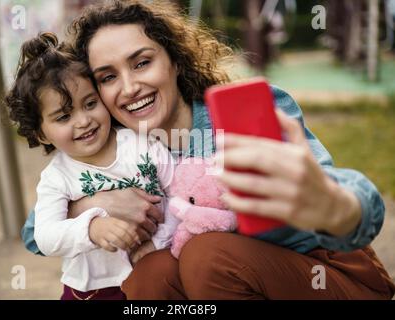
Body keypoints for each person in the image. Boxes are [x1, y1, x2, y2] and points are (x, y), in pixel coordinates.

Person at [22, 0, 395, 299]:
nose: (130, 86)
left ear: (173, 60)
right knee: (151, 274)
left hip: (323, 274)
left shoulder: (244, 113)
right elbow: (34, 232)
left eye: (142, 62)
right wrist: (99, 203)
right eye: (108, 77)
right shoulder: (119, 144)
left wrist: (335, 204)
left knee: (206, 254)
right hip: (228, 282)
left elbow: (349, 195)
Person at [5, 32, 178, 300]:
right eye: (64, 116)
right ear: (41, 133)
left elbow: (179, 197)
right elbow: (45, 237)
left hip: (153, 270)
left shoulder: (142, 144)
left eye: (90, 104)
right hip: (89, 290)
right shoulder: (57, 177)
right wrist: (91, 228)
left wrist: (157, 242)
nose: (83, 121)